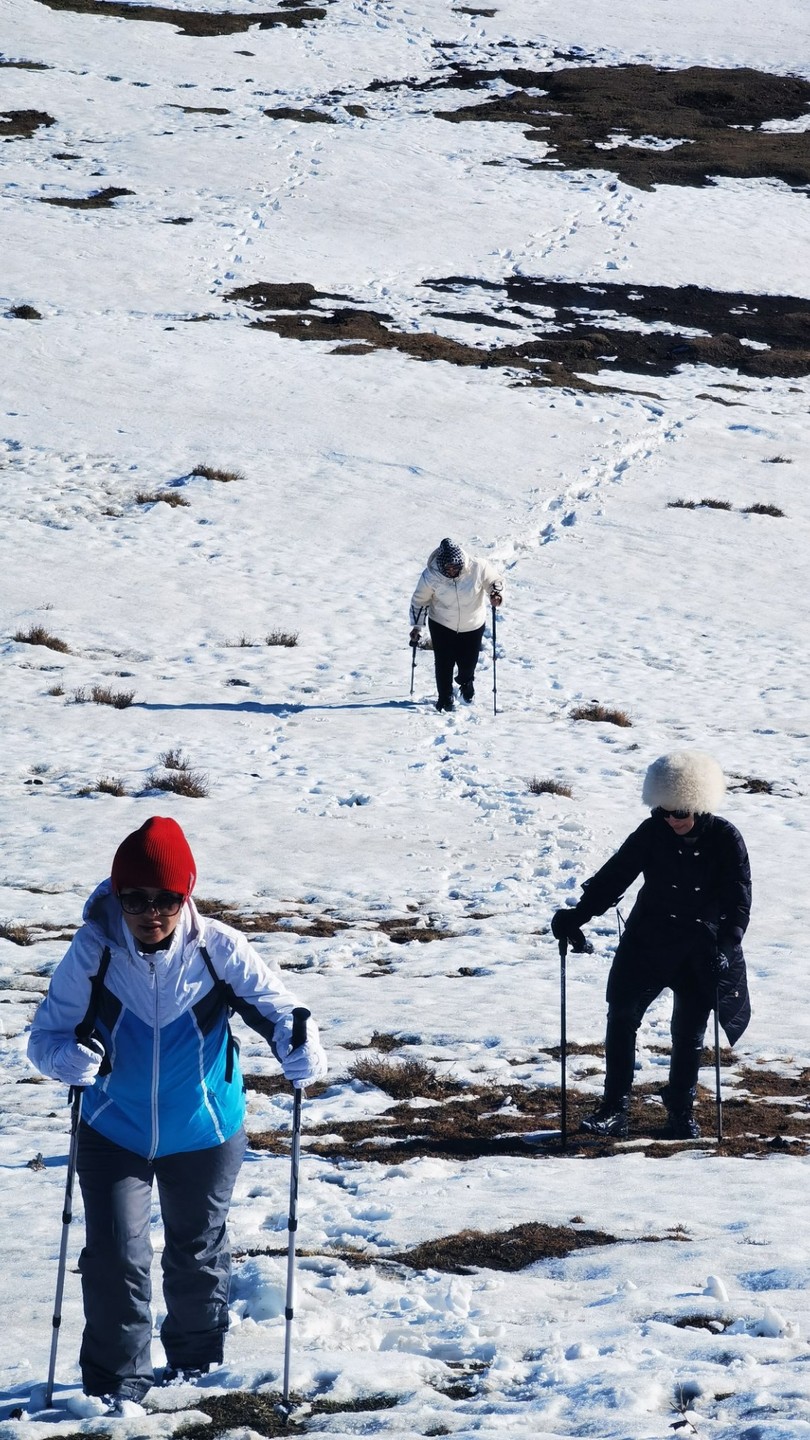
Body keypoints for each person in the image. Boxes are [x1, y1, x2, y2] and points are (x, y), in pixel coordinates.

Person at [28, 816, 327, 1411]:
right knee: (116, 1253)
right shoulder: (95, 951)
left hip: (206, 1127)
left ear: (185, 895)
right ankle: (115, 1386)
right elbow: (45, 1038)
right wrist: (71, 1060)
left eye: (166, 899)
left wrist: (299, 1045)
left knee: (196, 1248)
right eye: (135, 898)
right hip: (113, 1128)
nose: (150, 912)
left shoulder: (218, 948)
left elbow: (281, 1010)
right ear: (117, 895)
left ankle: (195, 1363)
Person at [551, 751, 751, 1140]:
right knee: (622, 1015)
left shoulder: (726, 839)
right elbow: (615, 876)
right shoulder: (652, 831)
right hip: (648, 941)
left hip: (700, 949)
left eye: (679, 812)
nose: (671, 820)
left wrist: (725, 949)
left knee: (689, 1031)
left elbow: (738, 903)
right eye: (664, 812)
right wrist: (577, 916)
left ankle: (680, 1111)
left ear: (699, 806)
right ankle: (615, 1109)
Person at [409, 537, 503, 711]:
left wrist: (495, 594)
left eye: (455, 567)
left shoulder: (477, 567)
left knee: (468, 662)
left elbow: (493, 580)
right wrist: (417, 627)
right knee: (443, 662)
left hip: (473, 623)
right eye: (448, 568)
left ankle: (466, 682)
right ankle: (444, 697)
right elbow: (420, 601)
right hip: (441, 623)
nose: (452, 570)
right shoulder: (431, 575)